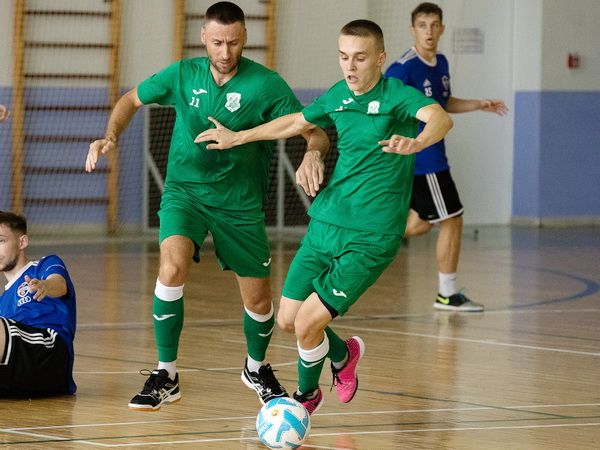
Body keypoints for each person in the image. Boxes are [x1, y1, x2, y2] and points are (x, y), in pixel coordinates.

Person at [195, 19, 453, 414]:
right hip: (327, 222)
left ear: (380, 58)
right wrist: (238, 137)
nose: (350, 66)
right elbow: (297, 122)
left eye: (360, 58)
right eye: (343, 57)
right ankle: (344, 354)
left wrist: (416, 142)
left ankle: (305, 398)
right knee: (287, 319)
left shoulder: (398, 96)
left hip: (371, 235)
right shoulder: (337, 95)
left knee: (307, 323)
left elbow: (440, 118)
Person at [85, 2, 329, 411]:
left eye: (233, 42)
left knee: (258, 302)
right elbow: (130, 100)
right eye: (217, 42)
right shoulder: (183, 74)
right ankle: (166, 373)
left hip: (239, 203)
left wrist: (313, 154)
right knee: (171, 267)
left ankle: (256, 368)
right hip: (186, 193)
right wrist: (110, 135)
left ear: (245, 38)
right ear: (203, 37)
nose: (225, 51)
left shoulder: (266, 85)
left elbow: (313, 131)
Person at [385, 2, 508, 312]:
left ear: (441, 28)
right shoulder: (402, 69)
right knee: (452, 220)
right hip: (423, 158)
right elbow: (386, 110)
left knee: (422, 224)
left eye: (433, 25)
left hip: (433, 155)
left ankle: (365, 236)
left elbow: (443, 103)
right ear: (412, 29)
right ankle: (447, 295)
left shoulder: (440, 62)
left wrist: (479, 104)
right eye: (422, 25)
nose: (428, 31)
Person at [0, 211, 77, 398]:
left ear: (22, 242)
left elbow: (59, 284)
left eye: (1, 241)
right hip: (17, 373)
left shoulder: (44, 266)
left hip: (50, 352)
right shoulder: (3, 301)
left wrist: (45, 285)